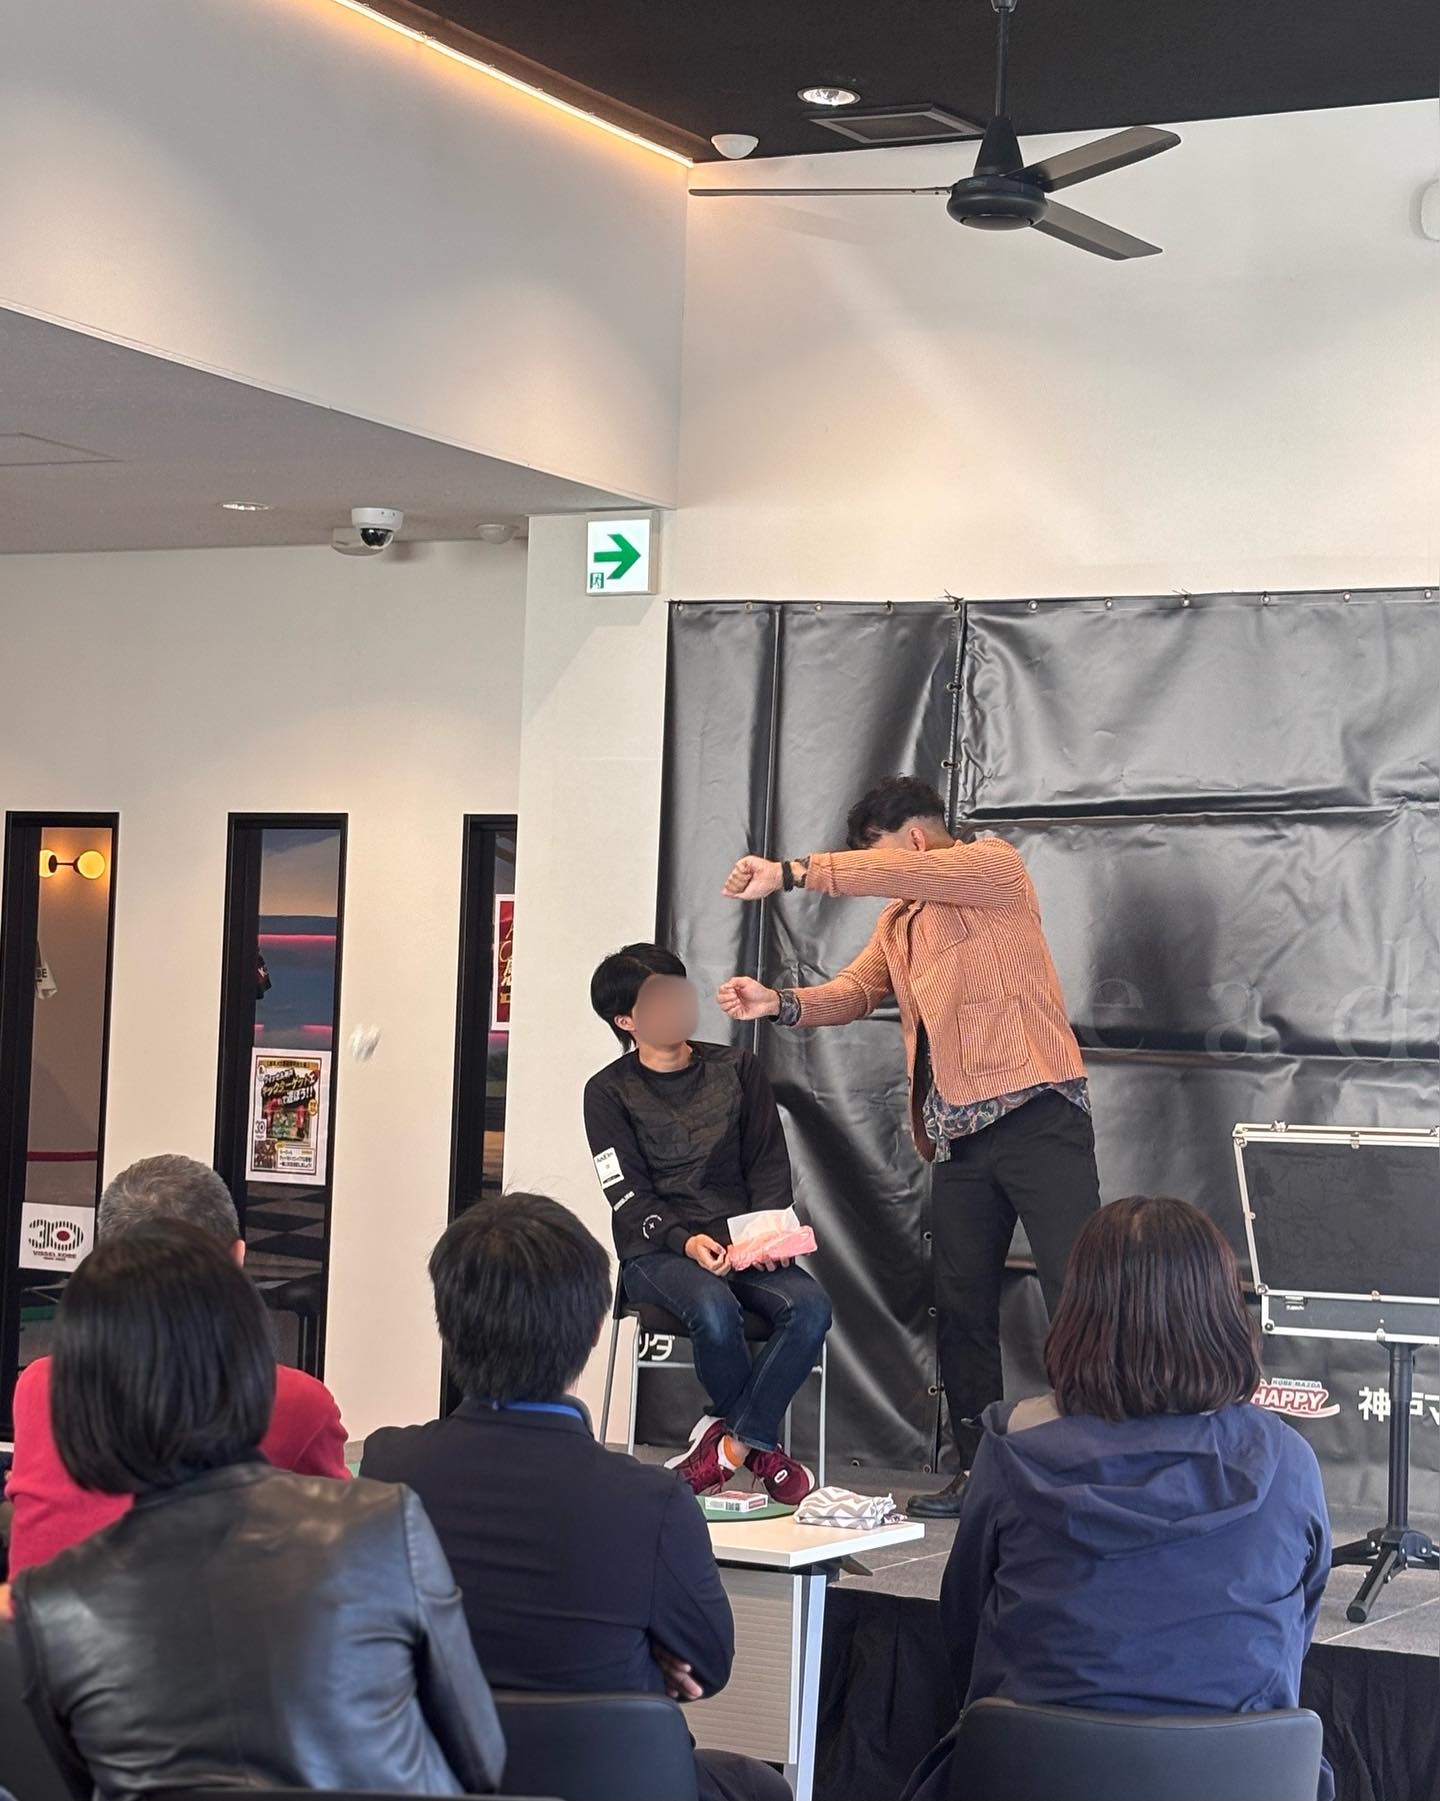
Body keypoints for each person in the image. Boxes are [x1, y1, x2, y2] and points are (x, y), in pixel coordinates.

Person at [10, 1220, 504, 1800]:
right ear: (252, 1364)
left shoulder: (51, 1605)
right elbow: (481, 1761)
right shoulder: (380, 1524)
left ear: (79, 1399)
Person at [717, 776, 1099, 1517]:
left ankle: (1105, 1460)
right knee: (961, 1307)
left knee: (1080, 1291)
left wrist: (791, 872)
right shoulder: (900, 922)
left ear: (916, 840)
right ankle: (981, 1469)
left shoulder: (993, 867)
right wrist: (780, 1002)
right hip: (959, 1139)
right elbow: (856, 991)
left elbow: (894, 872)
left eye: (884, 854)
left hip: (1039, 1114)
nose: (883, 872)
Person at [902, 1196, 1333, 1801]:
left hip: (1031, 1776)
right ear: (1221, 1310)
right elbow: (1296, 1631)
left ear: (1080, 1311)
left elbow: (964, 1628)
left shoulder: (1011, 1451)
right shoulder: (1287, 1462)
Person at [362, 1193, 791, 1801]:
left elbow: (368, 1643)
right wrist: (646, 1658)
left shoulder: (387, 1470)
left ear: (446, 1323)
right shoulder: (652, 1502)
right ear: (592, 1331)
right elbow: (706, 1667)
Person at [5, 1153, 349, 1575]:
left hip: (40, 1617)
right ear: (237, 1257)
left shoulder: (40, 1383)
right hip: (204, 1616)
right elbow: (344, 1548)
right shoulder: (295, 1401)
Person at [583, 943, 831, 1501]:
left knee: (811, 1307)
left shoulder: (737, 1068)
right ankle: (761, 1452)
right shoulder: (607, 1091)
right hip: (658, 1252)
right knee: (714, 1310)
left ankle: (730, 1448)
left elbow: (768, 1163)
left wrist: (763, 1237)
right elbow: (624, 1191)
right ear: (626, 1021)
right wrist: (684, 1240)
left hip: (744, 1243)